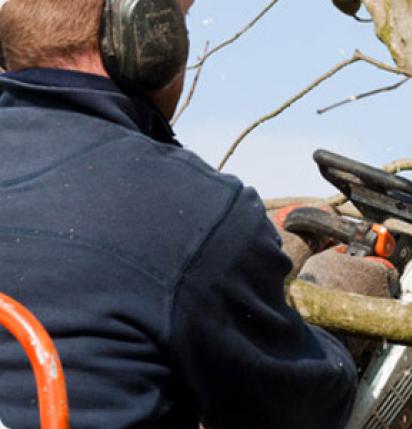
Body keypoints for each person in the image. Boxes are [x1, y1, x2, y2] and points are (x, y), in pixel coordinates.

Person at [0, 0, 386, 427]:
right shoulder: (185, 208)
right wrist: (341, 313)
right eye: (178, 23)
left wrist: (234, 275)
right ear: (149, 35)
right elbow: (303, 408)